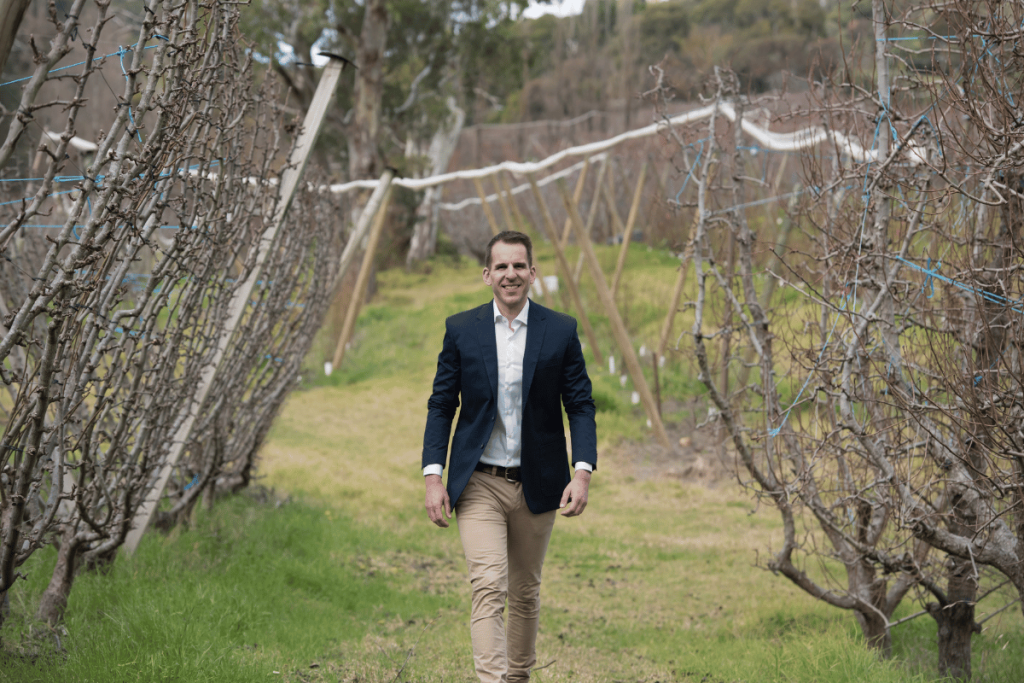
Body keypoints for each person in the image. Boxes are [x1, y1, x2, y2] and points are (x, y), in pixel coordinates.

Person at [421, 230, 597, 683]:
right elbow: (442, 404)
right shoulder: (462, 330)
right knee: (488, 586)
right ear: (487, 275)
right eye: (501, 266)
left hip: (540, 483)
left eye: (519, 265)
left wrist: (582, 473)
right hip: (479, 482)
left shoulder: (560, 331)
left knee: (524, 593)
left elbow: (579, 404)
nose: (511, 274)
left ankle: (518, 676)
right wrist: (433, 477)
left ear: (533, 273)